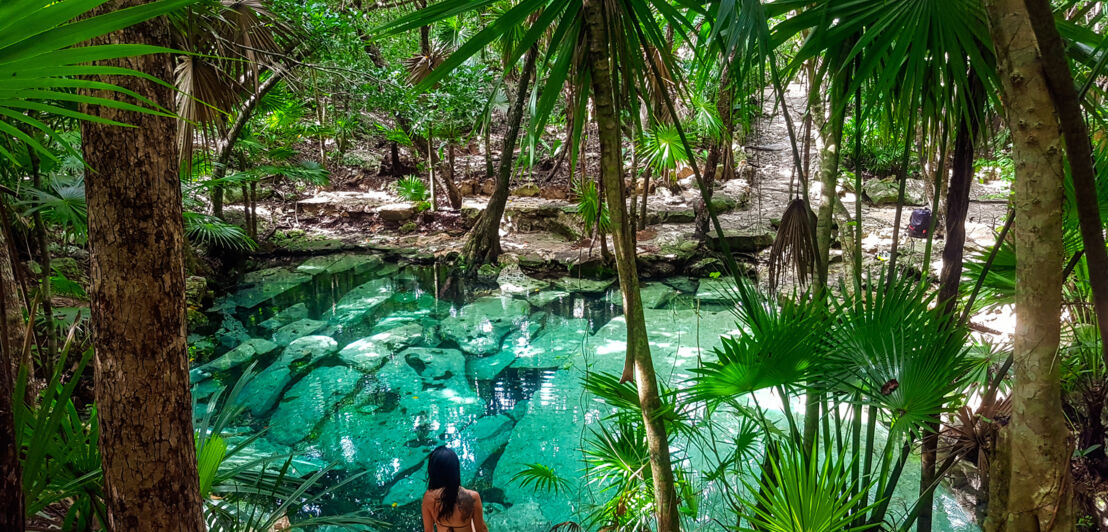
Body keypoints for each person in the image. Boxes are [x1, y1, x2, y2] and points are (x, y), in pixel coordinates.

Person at [421, 446, 489, 532]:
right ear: (456, 470)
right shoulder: (473, 497)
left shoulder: (428, 497)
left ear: (433, 472)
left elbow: (428, 530)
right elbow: (481, 530)